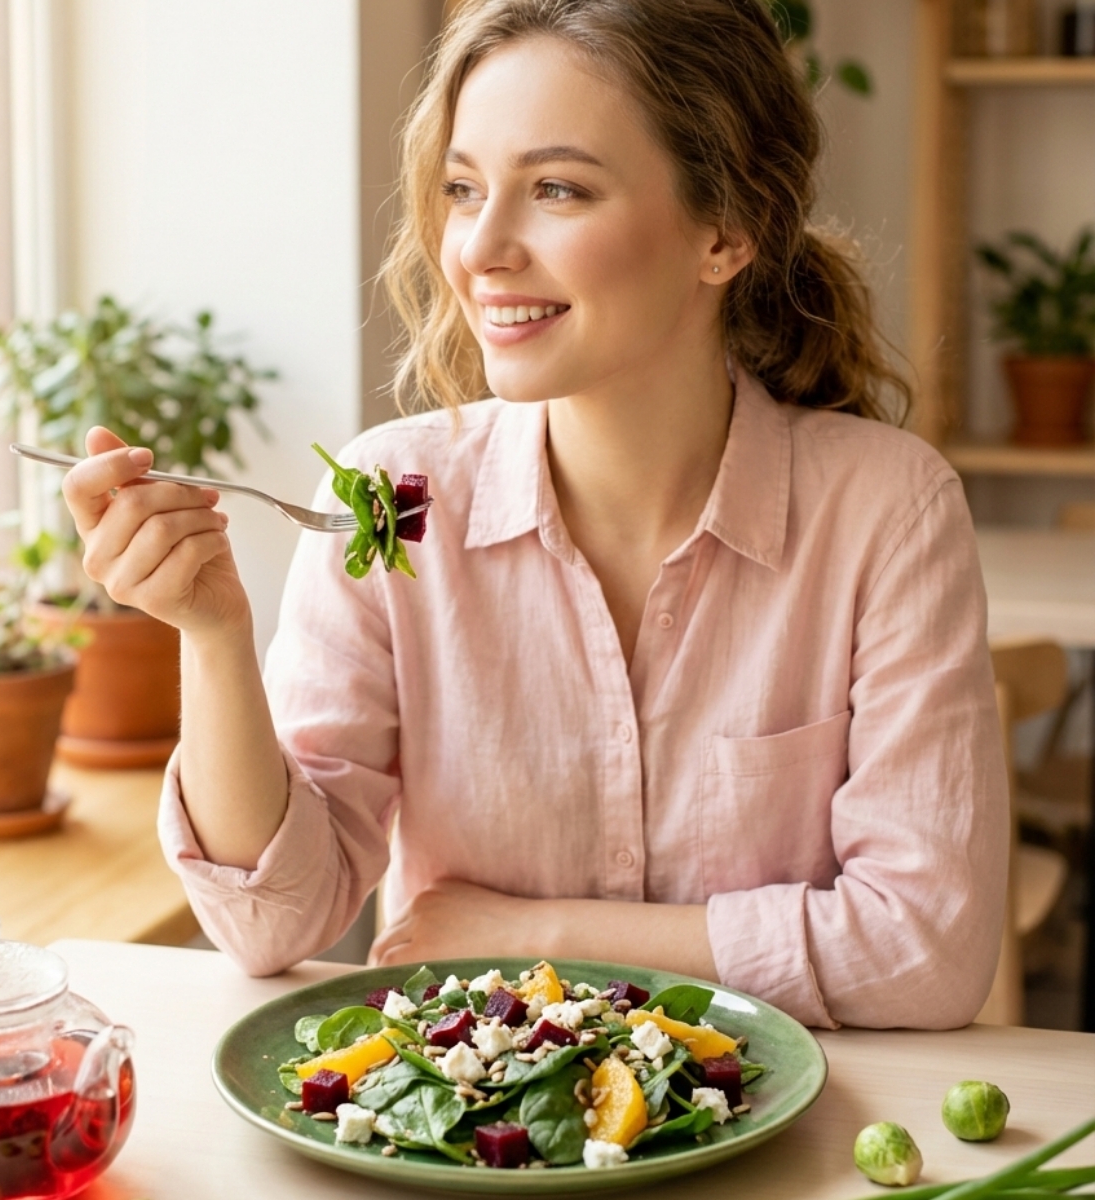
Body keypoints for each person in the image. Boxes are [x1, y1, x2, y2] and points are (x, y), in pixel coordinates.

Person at [62, 0, 1007, 1030]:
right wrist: (212, 633)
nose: (480, 248)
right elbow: (270, 924)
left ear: (725, 230)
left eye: (557, 188)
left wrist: (537, 935)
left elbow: (927, 952)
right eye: (465, 189)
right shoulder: (389, 502)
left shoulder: (888, 511)